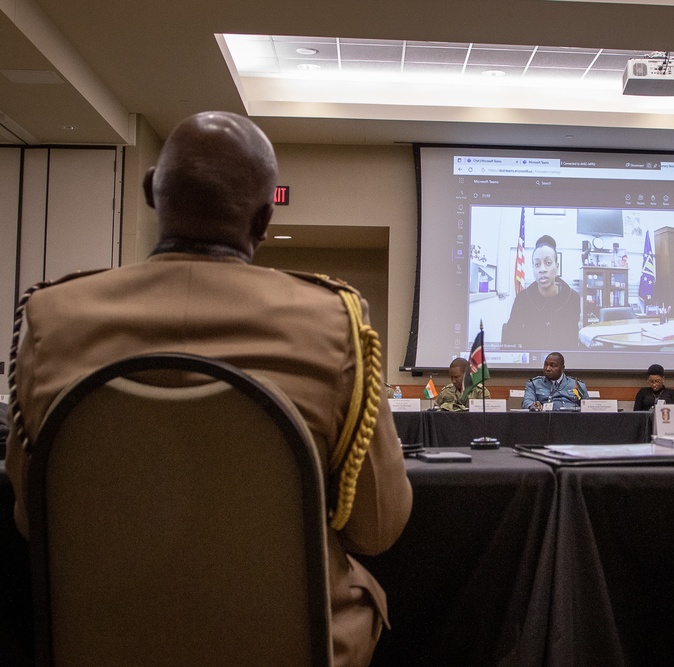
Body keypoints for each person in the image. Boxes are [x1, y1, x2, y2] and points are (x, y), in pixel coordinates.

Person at [4, 111, 412, 667]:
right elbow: (377, 528)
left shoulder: (53, 315)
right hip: (290, 648)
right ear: (265, 218)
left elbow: (34, 520)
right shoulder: (334, 323)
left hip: (102, 642)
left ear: (151, 191)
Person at [503, 235, 582, 351]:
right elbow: (510, 340)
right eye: (537, 264)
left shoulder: (573, 299)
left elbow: (574, 343)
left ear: (557, 266)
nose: (542, 269)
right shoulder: (522, 299)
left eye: (548, 263)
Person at [523, 352, 589, 410]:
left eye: (553, 365)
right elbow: (527, 402)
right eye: (546, 365)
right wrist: (532, 405)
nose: (548, 369)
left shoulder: (577, 385)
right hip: (545, 420)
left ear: (562, 368)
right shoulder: (534, 384)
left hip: (573, 420)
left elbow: (588, 407)